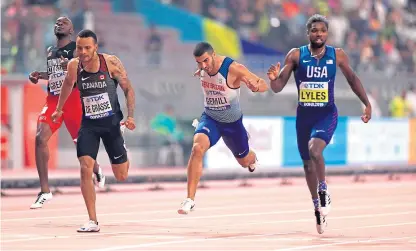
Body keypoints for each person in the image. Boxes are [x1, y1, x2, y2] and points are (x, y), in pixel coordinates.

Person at [267, 14, 372, 234]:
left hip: (326, 114)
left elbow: (352, 79)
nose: (319, 34)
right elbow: (277, 87)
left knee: (315, 150)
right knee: (307, 164)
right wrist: (273, 78)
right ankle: (317, 206)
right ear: (308, 33)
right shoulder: (296, 55)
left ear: (327, 33)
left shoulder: (338, 55)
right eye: (314, 30)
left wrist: (366, 103)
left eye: (322, 30)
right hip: (304, 117)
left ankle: (323, 189)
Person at [51, 29, 136, 232]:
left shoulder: (111, 63)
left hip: (112, 124)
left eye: (87, 48)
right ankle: (92, 220)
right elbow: (67, 85)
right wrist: (59, 109)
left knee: (122, 175)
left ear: (95, 48)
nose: (82, 52)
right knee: (84, 167)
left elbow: (128, 89)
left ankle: (120, 144)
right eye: (79, 48)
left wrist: (131, 116)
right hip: (89, 125)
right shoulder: (74, 66)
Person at [177, 42, 269, 214]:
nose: (203, 66)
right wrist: (201, 70)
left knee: (244, 161)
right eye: (199, 63)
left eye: (205, 61)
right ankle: (189, 200)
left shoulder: (234, 68)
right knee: (197, 148)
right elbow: (204, 71)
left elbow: (263, 84)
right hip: (210, 118)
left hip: (233, 124)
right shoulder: (202, 69)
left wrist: (256, 87)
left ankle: (252, 156)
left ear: (213, 55)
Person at [28, 17, 105, 210]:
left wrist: (71, 66)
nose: (59, 24)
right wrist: (39, 75)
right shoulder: (51, 51)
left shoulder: (78, 49)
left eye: (64, 22)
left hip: (73, 101)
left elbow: (90, 70)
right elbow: (54, 75)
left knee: (82, 149)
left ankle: (96, 169)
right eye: (56, 22)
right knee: (40, 138)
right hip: (53, 100)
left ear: (71, 30)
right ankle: (45, 191)